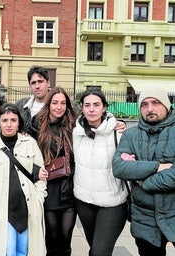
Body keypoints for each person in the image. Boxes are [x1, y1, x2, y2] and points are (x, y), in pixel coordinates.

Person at [0, 103, 47, 256]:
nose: (9, 124)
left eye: (13, 120)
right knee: (6, 251)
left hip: (26, 209)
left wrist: (39, 198)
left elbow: (41, 174)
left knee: (25, 250)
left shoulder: (30, 144)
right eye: (5, 120)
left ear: (18, 122)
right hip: (0, 211)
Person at [112, 88, 175, 256]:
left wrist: (142, 181)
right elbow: (119, 167)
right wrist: (157, 167)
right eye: (145, 104)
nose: (150, 109)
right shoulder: (130, 135)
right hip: (144, 219)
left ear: (167, 106)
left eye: (156, 103)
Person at [73, 89, 128, 256]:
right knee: (94, 249)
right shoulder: (75, 132)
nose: (91, 109)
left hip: (112, 203)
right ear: (81, 108)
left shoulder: (119, 132)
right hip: (84, 201)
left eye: (96, 105)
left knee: (99, 252)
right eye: (87, 105)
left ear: (104, 108)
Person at [31, 87, 77, 256]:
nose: (59, 107)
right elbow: (26, 154)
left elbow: (98, 121)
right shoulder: (36, 124)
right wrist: (36, 171)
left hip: (68, 188)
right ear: (48, 104)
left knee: (65, 240)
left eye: (63, 103)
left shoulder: (74, 123)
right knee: (51, 238)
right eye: (55, 102)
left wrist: (116, 122)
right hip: (48, 188)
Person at [16, 66, 51, 133]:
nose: (37, 86)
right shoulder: (20, 105)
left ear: (48, 83)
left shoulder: (59, 106)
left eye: (40, 81)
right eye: (33, 83)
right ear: (30, 86)